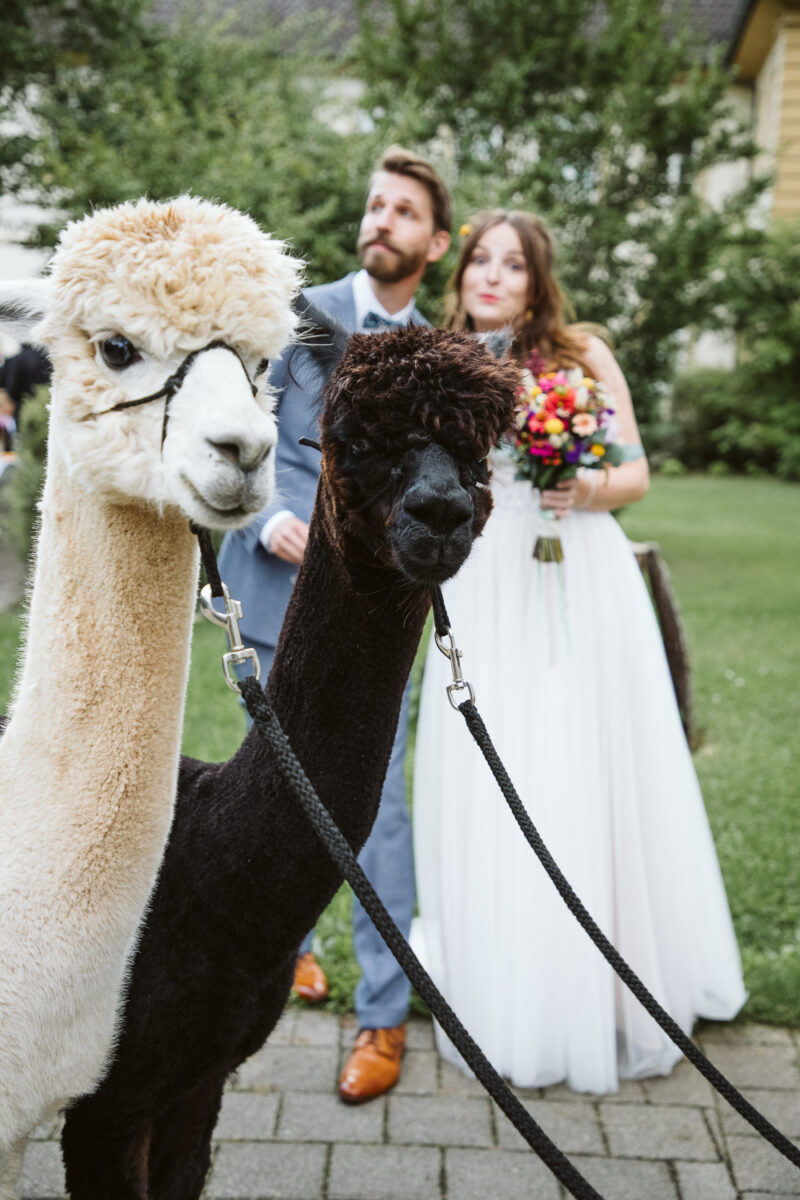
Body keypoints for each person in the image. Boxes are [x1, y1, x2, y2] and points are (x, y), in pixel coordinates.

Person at [411, 210, 746, 1093]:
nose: (490, 274)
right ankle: (506, 982)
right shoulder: (443, 362)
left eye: (510, 264)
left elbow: (635, 473)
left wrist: (581, 485)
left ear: (536, 279)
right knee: (497, 774)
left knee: (584, 765)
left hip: (578, 576)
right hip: (483, 584)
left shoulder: (580, 355)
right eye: (479, 259)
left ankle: (606, 983)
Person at [218, 146, 451, 1102]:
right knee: (269, 799)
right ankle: (282, 963)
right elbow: (240, 428)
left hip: (378, 626)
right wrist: (272, 513)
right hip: (278, 607)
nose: (382, 218)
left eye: (404, 210)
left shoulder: (441, 351)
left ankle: (384, 1017)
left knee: (378, 814)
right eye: (376, 204)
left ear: (434, 242)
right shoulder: (297, 317)